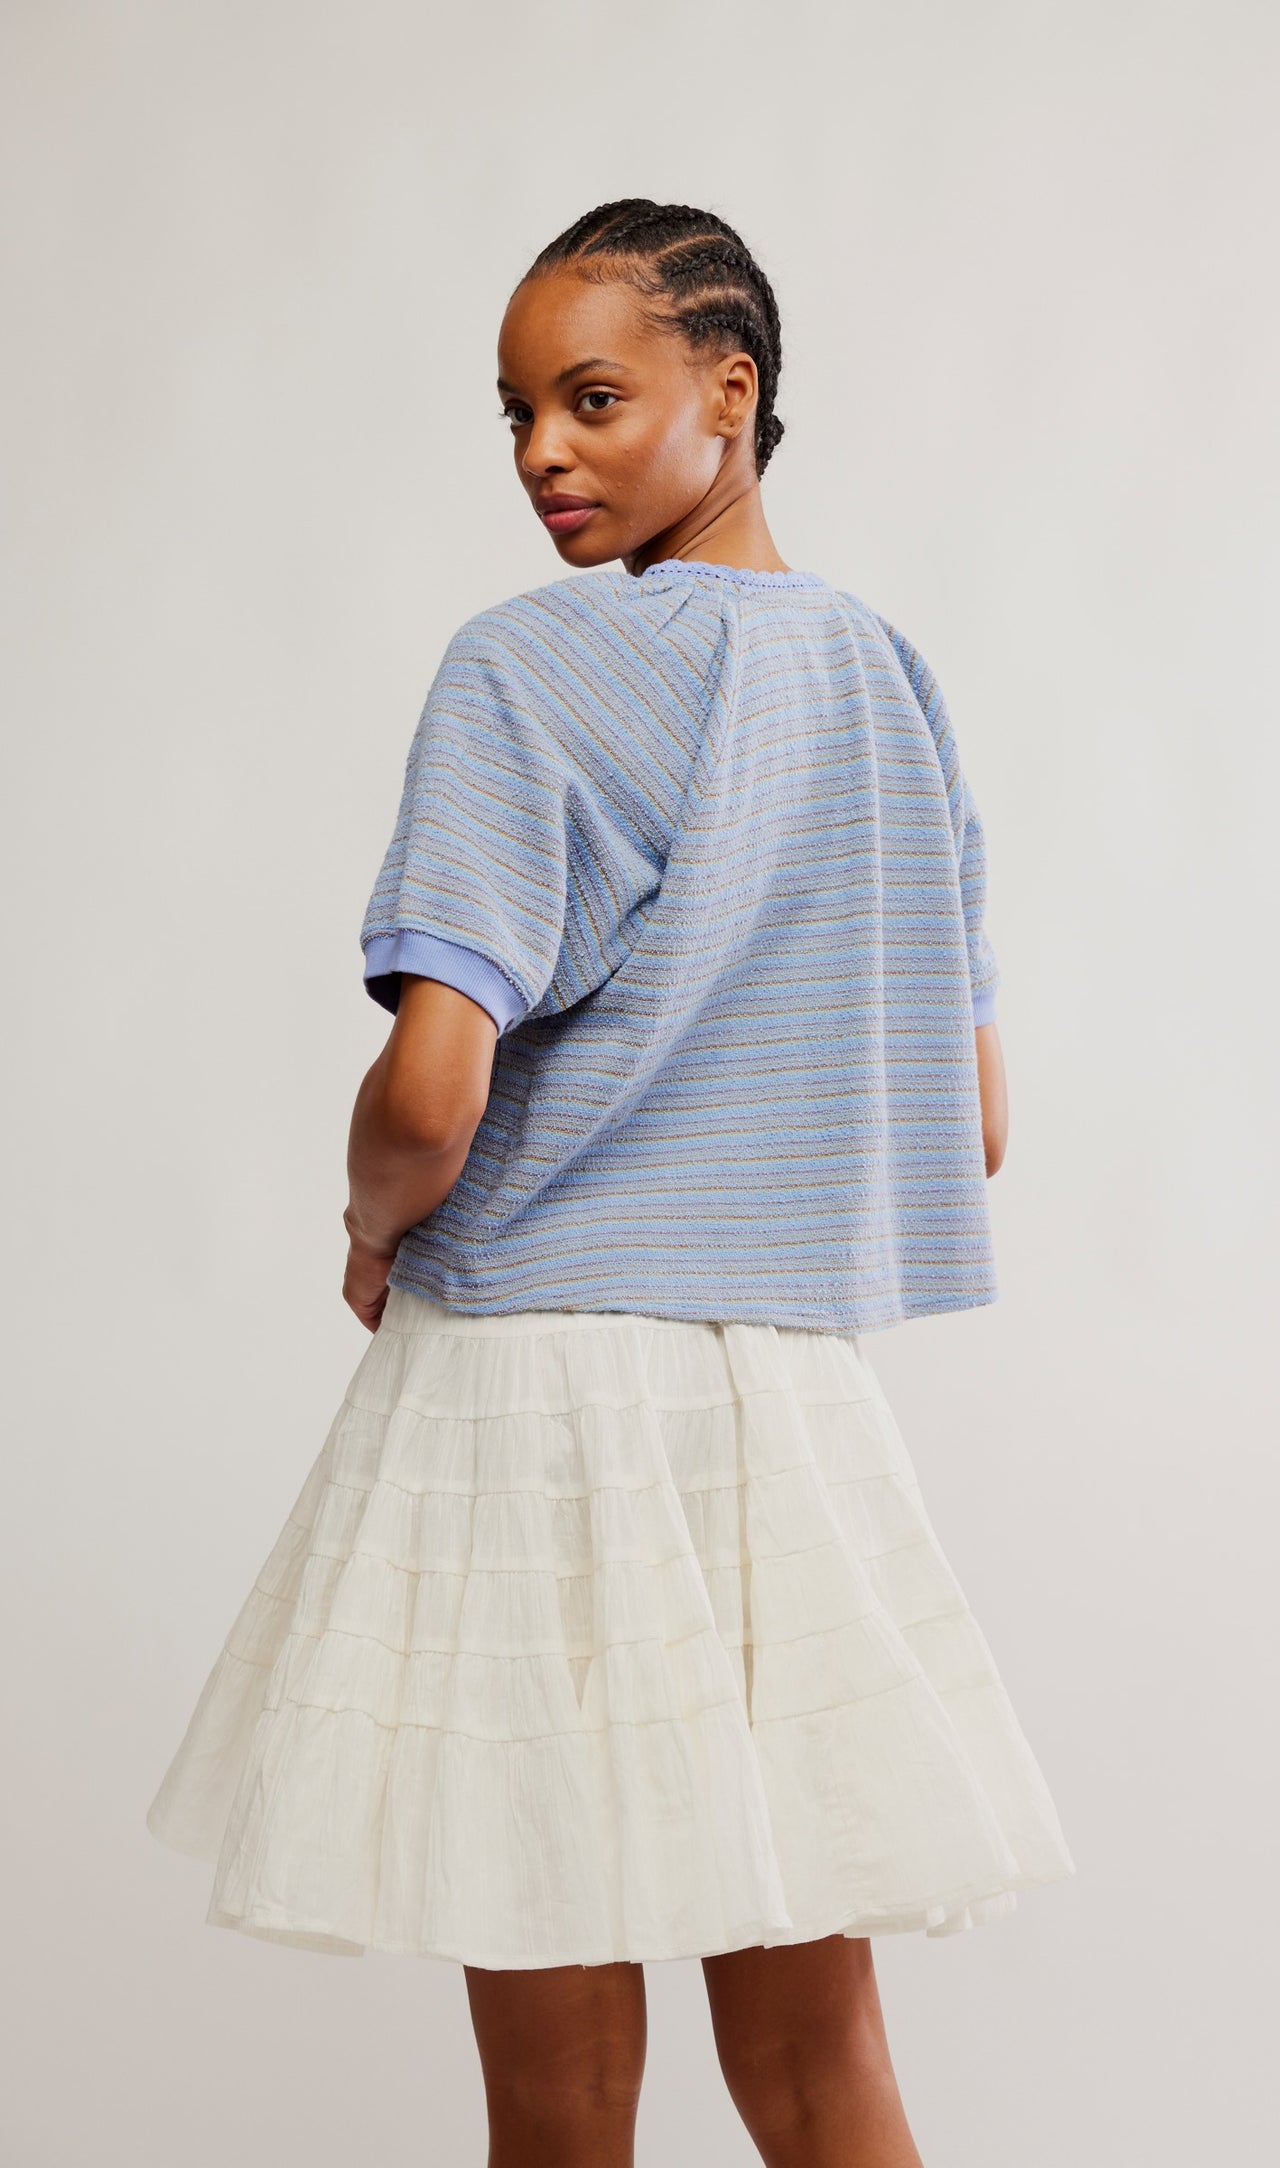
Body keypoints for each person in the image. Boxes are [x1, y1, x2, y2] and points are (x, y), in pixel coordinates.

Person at [146, 198, 1076, 2168]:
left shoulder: (529, 665)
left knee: (558, 2102)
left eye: (589, 399)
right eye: (514, 414)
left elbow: (430, 1091)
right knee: (821, 2071)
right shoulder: (891, 683)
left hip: (533, 1400)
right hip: (778, 1412)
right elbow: (969, 1121)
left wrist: (370, 1226)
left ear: (730, 393)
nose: (540, 454)